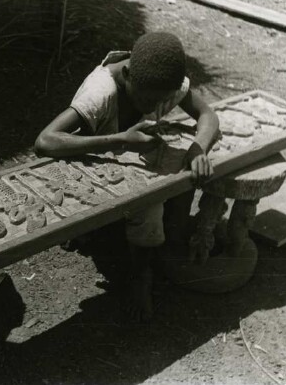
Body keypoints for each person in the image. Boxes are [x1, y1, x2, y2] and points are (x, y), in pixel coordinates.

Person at [34, 32, 219, 322]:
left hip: (127, 152)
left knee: (183, 169)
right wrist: (119, 140)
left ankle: (166, 245)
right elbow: (45, 142)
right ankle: (140, 274)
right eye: (146, 98)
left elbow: (207, 115)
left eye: (162, 100)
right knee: (148, 202)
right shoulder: (101, 92)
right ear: (129, 75)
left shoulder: (163, 82)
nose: (152, 106)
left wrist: (198, 150)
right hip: (90, 159)